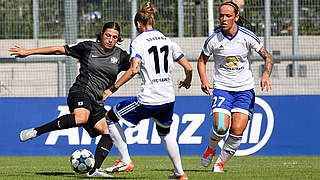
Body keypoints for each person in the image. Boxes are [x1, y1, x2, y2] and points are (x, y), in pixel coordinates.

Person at [8, 22, 133, 177]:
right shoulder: (88, 47)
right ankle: (36, 131)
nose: (110, 39)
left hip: (97, 102)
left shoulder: (121, 56)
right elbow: (58, 50)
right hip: (80, 92)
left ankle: (94, 171)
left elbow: (137, 67)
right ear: (101, 34)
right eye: (108, 35)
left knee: (108, 132)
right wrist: (29, 52)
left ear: (118, 39)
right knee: (81, 118)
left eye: (114, 37)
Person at [101, 2, 192, 179]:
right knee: (165, 133)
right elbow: (188, 68)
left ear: (138, 24)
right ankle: (180, 174)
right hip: (168, 99)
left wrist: (111, 89)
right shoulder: (168, 41)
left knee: (110, 117)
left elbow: (134, 69)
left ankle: (125, 161)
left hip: (149, 99)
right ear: (153, 22)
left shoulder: (139, 41)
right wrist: (187, 81)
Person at [198, 1, 274, 173]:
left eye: (228, 16)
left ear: (236, 17)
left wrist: (266, 74)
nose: (224, 19)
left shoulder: (247, 36)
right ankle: (211, 148)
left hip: (244, 90)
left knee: (236, 131)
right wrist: (204, 80)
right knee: (220, 128)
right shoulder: (213, 39)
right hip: (222, 87)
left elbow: (268, 57)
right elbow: (201, 60)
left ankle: (219, 164)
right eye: (221, 16)